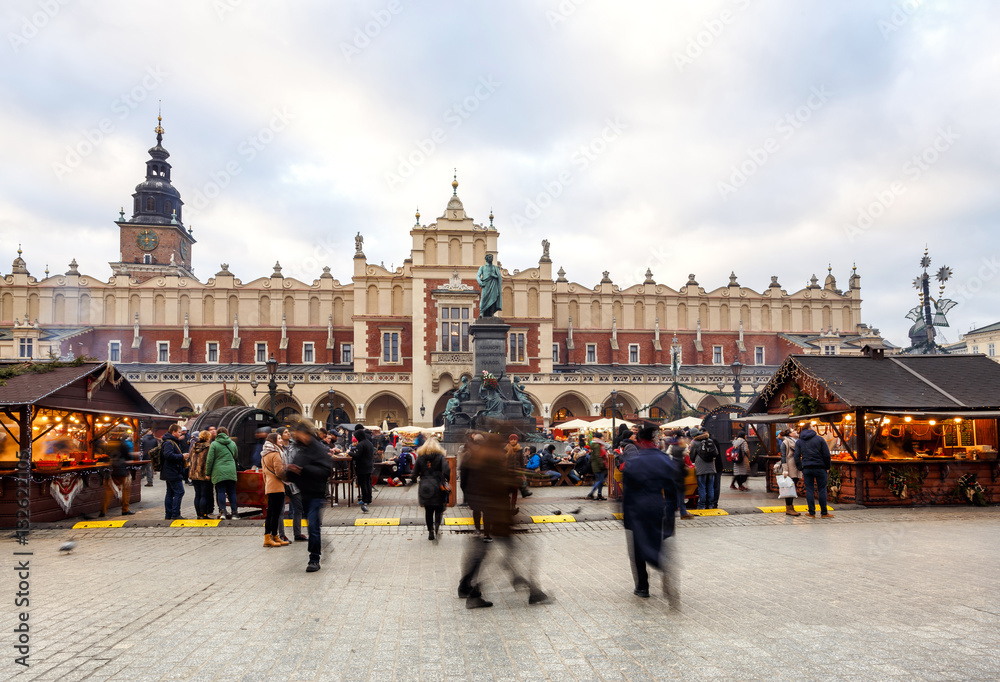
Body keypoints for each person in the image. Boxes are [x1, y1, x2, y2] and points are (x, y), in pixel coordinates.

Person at [457, 432, 548, 609]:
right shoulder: (490, 459)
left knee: (488, 553)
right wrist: (514, 482)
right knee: (512, 552)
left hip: (492, 510)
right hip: (497, 513)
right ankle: (529, 588)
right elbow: (498, 484)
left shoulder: (477, 458)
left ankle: (468, 587)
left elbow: (470, 484)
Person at [621, 424, 680, 605]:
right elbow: (672, 490)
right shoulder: (664, 460)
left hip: (637, 509)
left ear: (640, 441)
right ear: (654, 440)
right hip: (657, 507)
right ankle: (662, 564)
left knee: (638, 549)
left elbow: (627, 493)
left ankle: (642, 586)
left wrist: (626, 517)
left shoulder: (633, 462)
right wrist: (670, 514)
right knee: (657, 540)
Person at [285, 421, 334, 572]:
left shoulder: (318, 449)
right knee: (312, 526)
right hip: (303, 493)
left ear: (305, 434)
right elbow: (292, 475)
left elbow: (326, 471)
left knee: (313, 526)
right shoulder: (301, 450)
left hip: (316, 494)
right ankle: (317, 548)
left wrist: (303, 469)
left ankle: (314, 558)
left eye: (298, 434)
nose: (296, 437)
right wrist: (289, 471)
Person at [411, 437, 451, 542]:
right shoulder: (440, 456)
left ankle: (430, 531)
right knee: (439, 508)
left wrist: (413, 479)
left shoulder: (420, 457)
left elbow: (414, 473)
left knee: (428, 510)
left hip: (425, 486)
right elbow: (446, 469)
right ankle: (437, 525)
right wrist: (447, 479)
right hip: (438, 485)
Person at [793, 427, 833, 518]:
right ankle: (824, 513)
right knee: (822, 489)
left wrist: (800, 468)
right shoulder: (820, 439)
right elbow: (826, 454)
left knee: (809, 489)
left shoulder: (799, 441)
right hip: (820, 467)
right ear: (811, 429)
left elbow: (796, 456)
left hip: (807, 468)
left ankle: (812, 513)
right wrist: (827, 466)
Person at [261, 432, 290, 547]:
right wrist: (288, 479)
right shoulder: (276, 454)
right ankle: (271, 536)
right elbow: (279, 472)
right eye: (279, 438)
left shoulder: (264, 454)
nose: (281, 440)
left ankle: (271, 537)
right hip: (277, 486)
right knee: (275, 513)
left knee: (271, 513)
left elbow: (264, 472)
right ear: (274, 441)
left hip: (270, 485)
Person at [278, 427, 305, 542]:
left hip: (294, 482)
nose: (288, 433)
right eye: (285, 432)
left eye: (288, 432)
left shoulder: (295, 446)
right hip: (281, 482)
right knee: (280, 510)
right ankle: (281, 535)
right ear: (279, 435)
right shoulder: (276, 448)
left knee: (298, 509)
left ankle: (297, 534)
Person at [206, 426, 239, 519]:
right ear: (227, 433)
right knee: (232, 492)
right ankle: (235, 513)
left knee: (220, 491)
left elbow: (210, 460)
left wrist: (208, 473)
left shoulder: (214, 444)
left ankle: (223, 512)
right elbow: (236, 456)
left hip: (218, 470)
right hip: (231, 470)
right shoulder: (232, 443)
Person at [100, 438, 134, 517]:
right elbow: (128, 456)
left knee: (109, 492)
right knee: (126, 490)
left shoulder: (108, 445)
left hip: (112, 470)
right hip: (122, 470)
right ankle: (125, 509)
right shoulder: (123, 444)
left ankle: (103, 511)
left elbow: (105, 457)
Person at [161, 424, 187, 520]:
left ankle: (169, 514)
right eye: (179, 432)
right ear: (173, 432)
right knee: (179, 492)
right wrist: (182, 456)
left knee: (170, 493)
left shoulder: (172, 441)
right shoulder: (169, 443)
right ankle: (175, 514)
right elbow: (168, 455)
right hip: (172, 471)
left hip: (170, 471)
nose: (181, 434)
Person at [667, 430, 693, 519]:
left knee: (673, 493)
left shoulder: (672, 446)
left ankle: (673, 512)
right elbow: (687, 454)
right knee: (680, 494)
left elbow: (667, 454)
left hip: (672, 473)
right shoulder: (683, 447)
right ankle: (682, 512)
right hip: (679, 475)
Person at [188, 431, 215, 519]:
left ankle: (198, 514)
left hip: (194, 473)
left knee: (197, 494)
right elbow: (209, 461)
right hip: (203, 473)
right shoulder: (208, 447)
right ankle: (204, 514)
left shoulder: (193, 446)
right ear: (208, 438)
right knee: (204, 495)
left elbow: (190, 459)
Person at [690, 428, 717, 510]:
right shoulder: (710, 440)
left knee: (702, 487)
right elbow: (716, 453)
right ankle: (710, 505)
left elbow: (692, 455)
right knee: (710, 486)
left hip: (701, 468)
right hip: (711, 467)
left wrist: (693, 461)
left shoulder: (695, 442)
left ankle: (701, 505)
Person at [351, 424, 375, 513]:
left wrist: (350, 453)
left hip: (362, 467)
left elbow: (357, 456)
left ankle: (364, 500)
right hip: (369, 466)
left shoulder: (360, 444)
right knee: (368, 482)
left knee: (363, 483)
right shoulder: (369, 443)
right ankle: (369, 499)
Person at [778, 429, 801, 516]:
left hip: (796, 466)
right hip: (790, 466)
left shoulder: (796, 441)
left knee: (793, 486)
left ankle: (791, 507)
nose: (796, 431)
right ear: (790, 434)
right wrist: (785, 469)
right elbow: (783, 456)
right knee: (789, 487)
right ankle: (789, 508)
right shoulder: (786, 442)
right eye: (793, 431)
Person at [586, 435, 608, 500]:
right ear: (600, 437)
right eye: (602, 437)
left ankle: (599, 495)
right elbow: (597, 456)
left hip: (597, 465)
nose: (603, 438)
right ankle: (591, 493)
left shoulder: (597, 445)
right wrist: (602, 465)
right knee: (600, 480)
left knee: (600, 480)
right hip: (598, 466)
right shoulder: (597, 446)